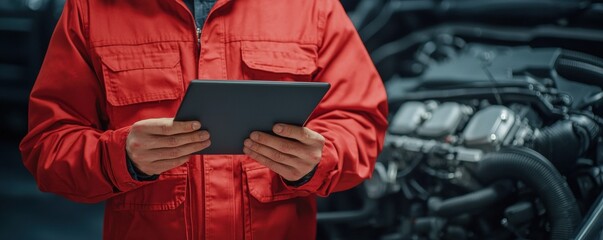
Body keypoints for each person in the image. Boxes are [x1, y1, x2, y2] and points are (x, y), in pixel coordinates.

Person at [19, 0, 388, 239]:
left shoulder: (311, 7)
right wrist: (120, 157)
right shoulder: (92, 9)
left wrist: (320, 159)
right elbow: (47, 146)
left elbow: (361, 123)